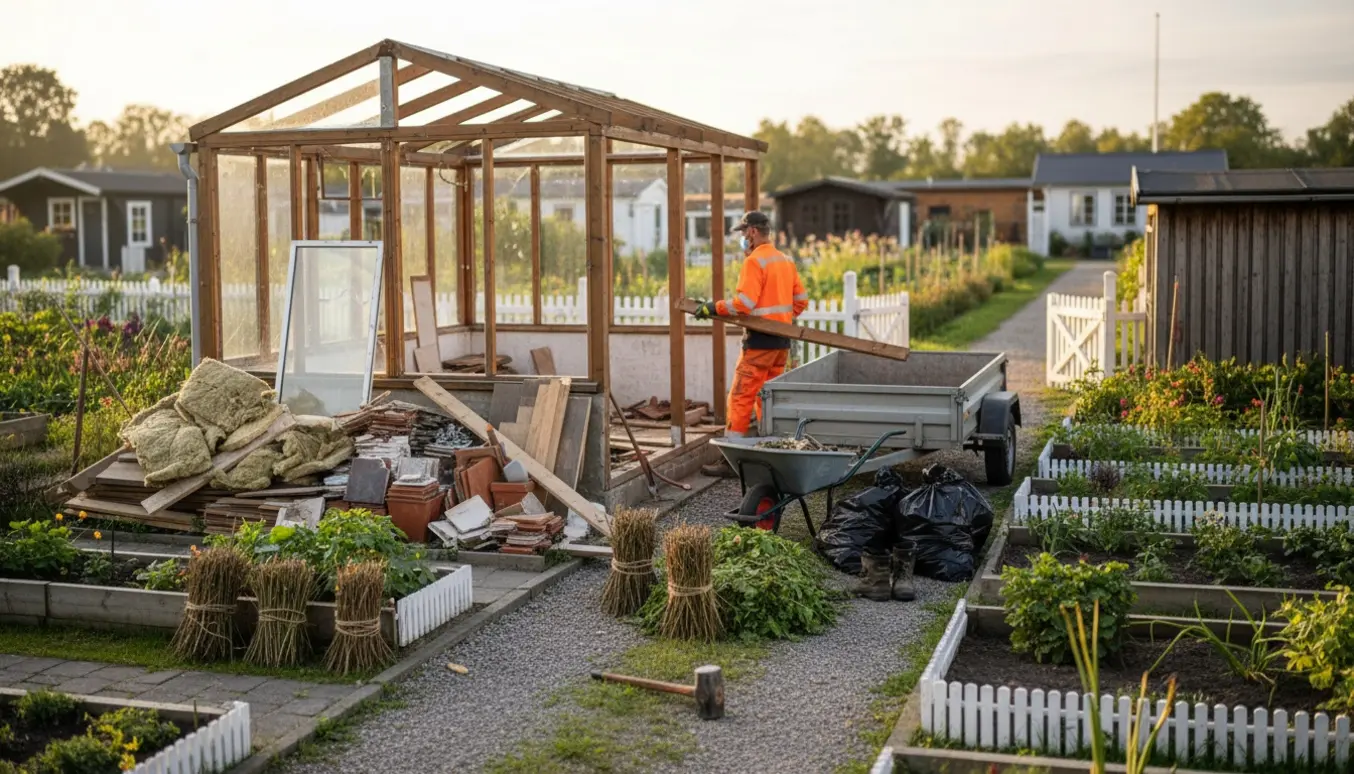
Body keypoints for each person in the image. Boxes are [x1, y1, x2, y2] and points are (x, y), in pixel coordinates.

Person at [692, 210, 808, 478]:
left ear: (754, 232)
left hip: (758, 345)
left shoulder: (755, 262)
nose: (743, 237)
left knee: (741, 397)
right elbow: (800, 301)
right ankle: (769, 450)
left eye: (744, 232)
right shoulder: (785, 261)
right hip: (781, 344)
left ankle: (731, 459)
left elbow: (744, 304)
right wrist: (780, 319)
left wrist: (712, 307)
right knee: (766, 397)